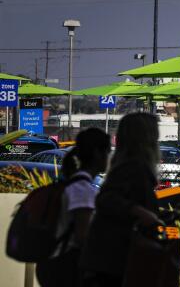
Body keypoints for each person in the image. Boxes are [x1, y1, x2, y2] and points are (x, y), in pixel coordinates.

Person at [80, 113, 162, 287]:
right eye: (155, 135)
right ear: (146, 139)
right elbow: (107, 199)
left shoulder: (124, 168)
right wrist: (142, 213)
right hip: (116, 264)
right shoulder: (134, 168)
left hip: (109, 263)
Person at [36, 128, 110, 287]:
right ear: (98, 153)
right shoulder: (82, 189)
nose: (109, 158)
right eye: (107, 152)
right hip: (65, 268)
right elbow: (82, 237)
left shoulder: (73, 185)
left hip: (54, 265)